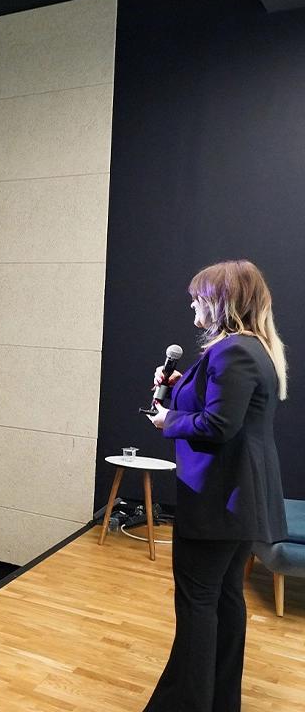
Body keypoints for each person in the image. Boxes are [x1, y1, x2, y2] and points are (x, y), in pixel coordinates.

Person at [142, 260, 289, 711]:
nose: (192, 304)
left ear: (221, 302)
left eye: (198, 298)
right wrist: (178, 386)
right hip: (238, 501)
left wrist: (169, 420)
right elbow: (221, 410)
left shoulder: (232, 352)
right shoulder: (251, 348)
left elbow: (219, 425)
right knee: (223, 599)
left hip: (219, 501)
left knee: (198, 604)